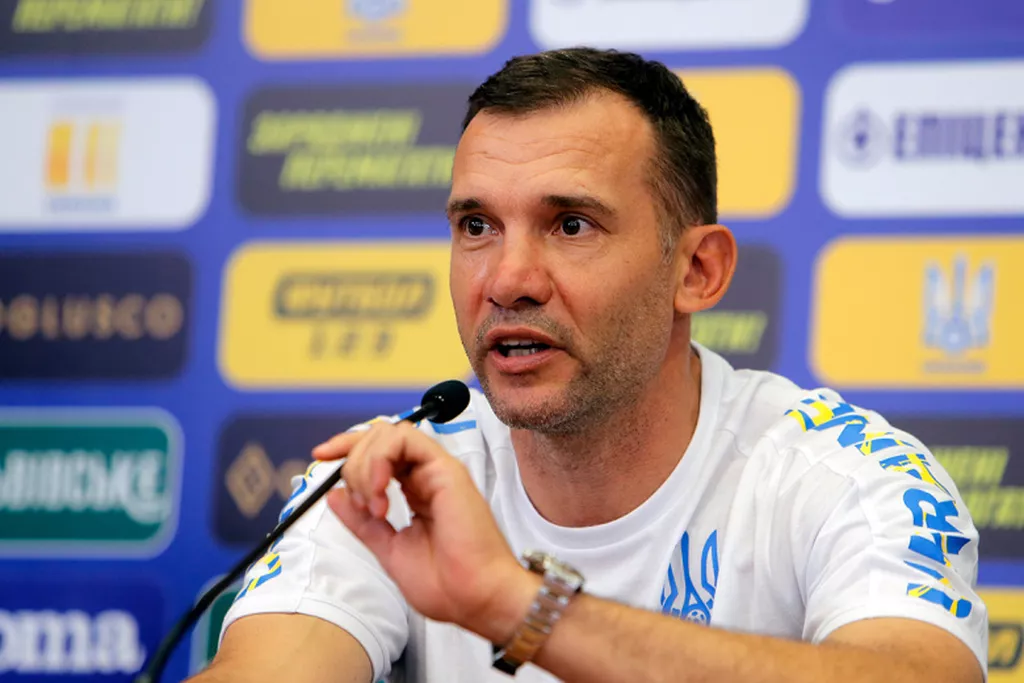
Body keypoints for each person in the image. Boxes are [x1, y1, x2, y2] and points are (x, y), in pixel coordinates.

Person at [192, 48, 987, 683]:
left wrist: (518, 604)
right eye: (477, 225)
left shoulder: (845, 475)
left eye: (570, 224)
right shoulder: (386, 483)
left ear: (697, 270)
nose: (508, 280)